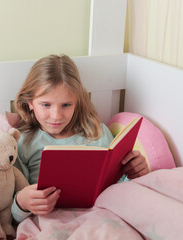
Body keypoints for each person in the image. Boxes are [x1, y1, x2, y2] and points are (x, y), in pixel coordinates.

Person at [11, 54, 150, 222]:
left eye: (66, 105)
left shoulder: (96, 133)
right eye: (46, 105)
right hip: (53, 220)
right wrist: (22, 202)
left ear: (77, 102)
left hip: (102, 215)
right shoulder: (23, 143)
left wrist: (136, 173)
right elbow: (11, 214)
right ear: (30, 102)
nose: (56, 116)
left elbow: (120, 188)